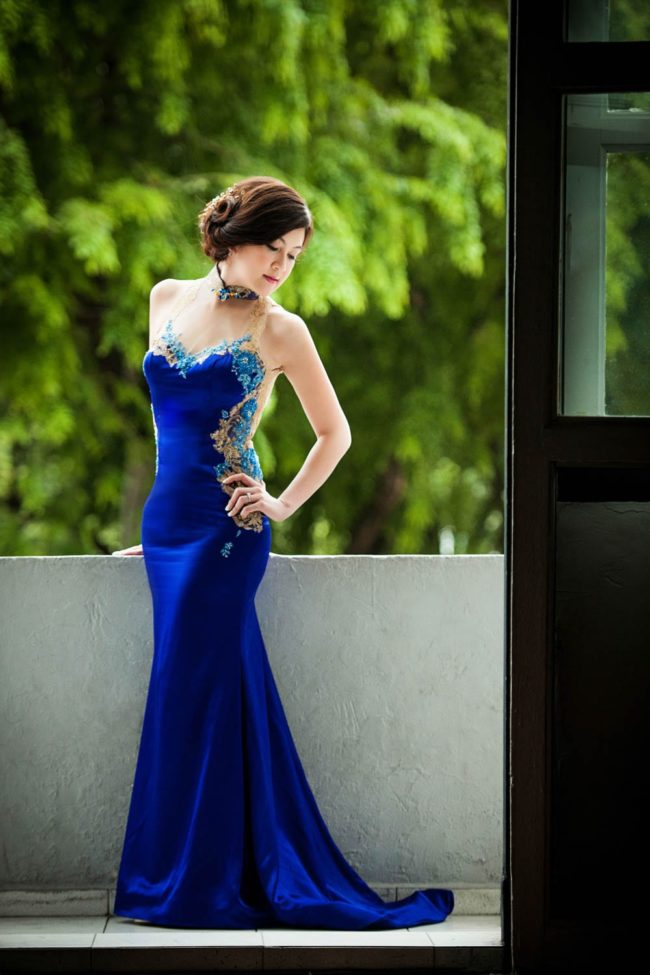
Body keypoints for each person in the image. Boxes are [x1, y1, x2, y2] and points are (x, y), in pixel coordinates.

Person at [111, 175, 454, 929]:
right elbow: (171, 423)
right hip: (170, 523)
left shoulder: (281, 329)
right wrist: (159, 531)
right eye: (275, 248)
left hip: (230, 530)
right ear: (231, 236)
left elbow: (338, 434)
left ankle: (192, 884)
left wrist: (281, 504)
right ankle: (182, 876)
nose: (283, 266)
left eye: (295, 255)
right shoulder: (165, 297)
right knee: (198, 688)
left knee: (188, 686)